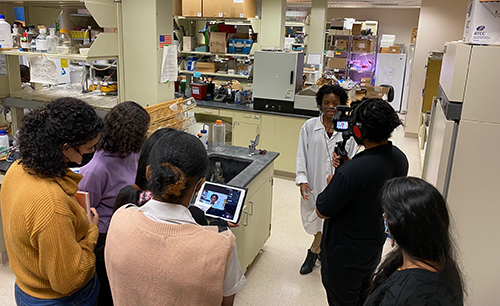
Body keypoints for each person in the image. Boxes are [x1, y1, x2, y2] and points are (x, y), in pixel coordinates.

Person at [105, 130, 246, 306]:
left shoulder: (120, 218)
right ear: (200, 185)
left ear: (149, 173)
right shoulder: (222, 246)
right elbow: (226, 303)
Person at [0, 98, 103, 305]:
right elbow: (69, 280)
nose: (93, 152)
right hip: (60, 299)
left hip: (27, 288)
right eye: (90, 148)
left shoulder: (19, 167)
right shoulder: (51, 204)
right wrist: (91, 232)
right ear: (66, 148)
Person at [316, 98, 409, 306]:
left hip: (344, 254)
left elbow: (322, 210)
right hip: (372, 245)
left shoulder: (351, 173)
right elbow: (372, 183)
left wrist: (334, 182)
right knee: (364, 296)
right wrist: (349, 169)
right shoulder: (399, 158)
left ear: (358, 132)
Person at [78, 101, 150, 305]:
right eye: (144, 132)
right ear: (132, 136)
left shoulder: (130, 153)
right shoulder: (96, 170)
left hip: (127, 225)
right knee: (108, 290)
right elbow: (85, 211)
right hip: (104, 237)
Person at [364, 177, 464, 306]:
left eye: (386, 215)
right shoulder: (445, 267)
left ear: (397, 226)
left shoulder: (403, 294)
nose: (384, 219)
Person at [295, 84, 357, 275]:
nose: (331, 107)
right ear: (320, 105)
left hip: (337, 184)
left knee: (333, 219)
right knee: (315, 217)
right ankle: (320, 249)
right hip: (313, 182)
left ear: (342, 105)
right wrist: (302, 179)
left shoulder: (348, 129)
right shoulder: (309, 126)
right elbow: (301, 155)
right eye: (326, 103)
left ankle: (314, 251)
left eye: (335, 103)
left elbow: (352, 156)